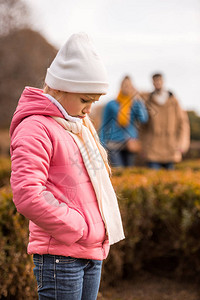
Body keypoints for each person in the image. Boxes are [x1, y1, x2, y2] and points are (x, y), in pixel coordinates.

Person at [10, 33, 125, 300]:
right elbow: (28, 194)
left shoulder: (77, 124)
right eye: (85, 100)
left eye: (93, 102)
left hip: (90, 250)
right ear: (61, 87)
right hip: (61, 255)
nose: (88, 109)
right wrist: (78, 227)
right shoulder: (35, 128)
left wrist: (91, 233)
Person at [140, 73, 190, 170]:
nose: (157, 83)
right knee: (153, 180)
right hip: (153, 148)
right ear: (152, 82)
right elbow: (142, 126)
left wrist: (182, 145)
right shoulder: (148, 101)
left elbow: (183, 123)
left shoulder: (173, 100)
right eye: (155, 81)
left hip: (171, 147)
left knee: (169, 179)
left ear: (163, 81)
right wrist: (143, 146)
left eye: (159, 80)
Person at [99, 76, 148, 167]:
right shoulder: (111, 104)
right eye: (125, 85)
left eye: (129, 86)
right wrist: (102, 144)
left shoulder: (135, 104)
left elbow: (143, 119)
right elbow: (105, 123)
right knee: (119, 169)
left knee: (129, 170)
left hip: (130, 143)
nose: (127, 87)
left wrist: (139, 100)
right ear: (121, 86)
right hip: (113, 142)